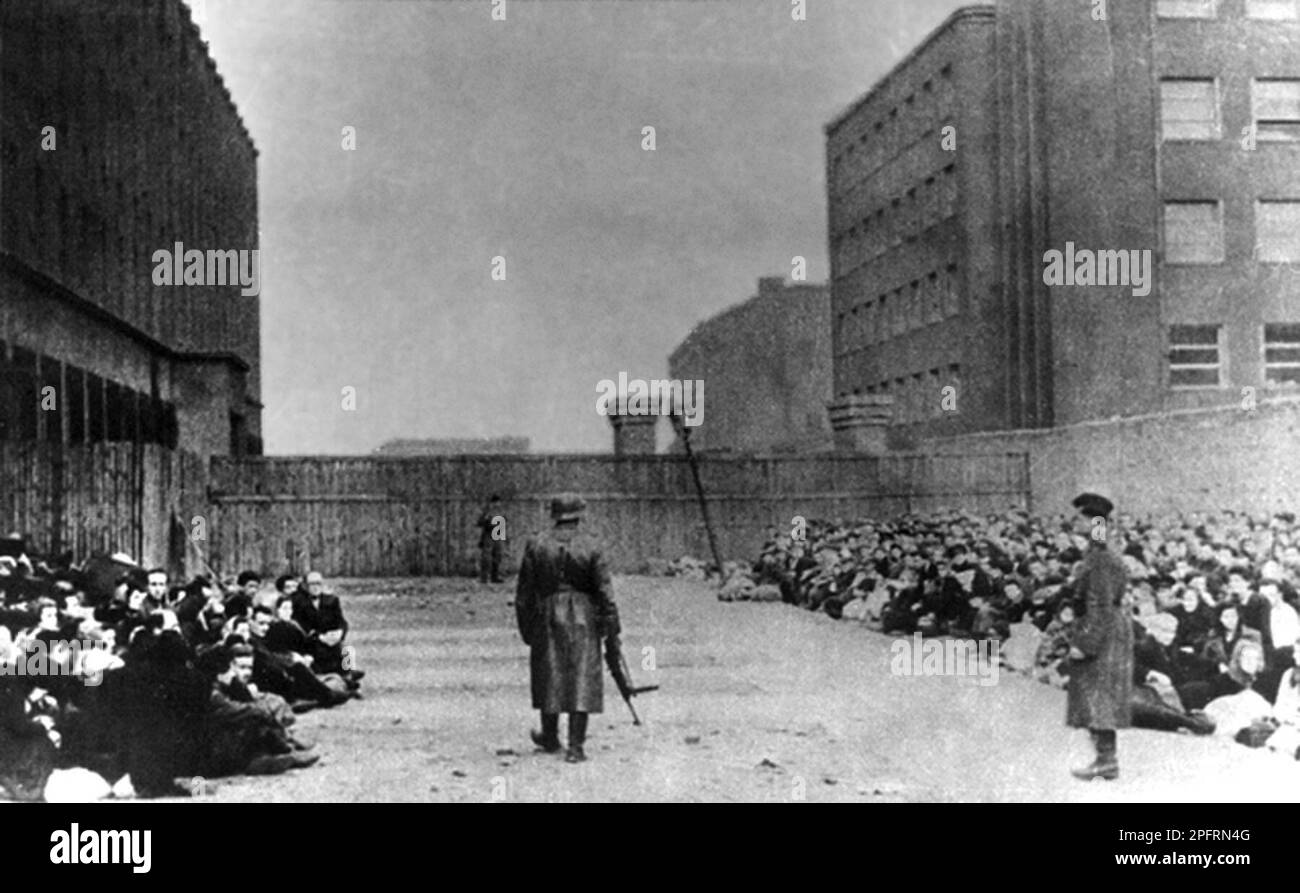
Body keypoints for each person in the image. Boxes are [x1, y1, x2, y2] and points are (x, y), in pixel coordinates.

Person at [514, 495, 620, 763]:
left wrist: (528, 629)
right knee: (581, 675)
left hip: (547, 614)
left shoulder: (536, 544)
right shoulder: (593, 545)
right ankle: (576, 747)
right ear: (579, 515)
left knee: (548, 673)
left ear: (554, 515)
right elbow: (605, 591)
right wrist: (611, 627)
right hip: (584, 616)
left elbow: (524, 594)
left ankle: (550, 738)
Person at [1064, 492, 1134, 781]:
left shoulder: (1100, 559)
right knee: (1097, 696)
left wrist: (1086, 643)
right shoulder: (1096, 555)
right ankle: (1105, 759)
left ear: (1093, 522)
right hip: (1105, 630)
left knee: (1100, 696)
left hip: (1103, 634)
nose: (1073, 521)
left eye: (1079, 516)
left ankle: (1107, 760)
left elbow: (1101, 604)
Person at [477, 494, 505, 584]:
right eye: (495, 503)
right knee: (486, 557)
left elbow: (504, 522)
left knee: (497, 556)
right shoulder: (487, 512)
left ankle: (494, 576)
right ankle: (484, 577)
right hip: (488, 534)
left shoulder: (501, 511)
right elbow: (480, 522)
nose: (496, 505)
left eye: (498, 503)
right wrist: (487, 521)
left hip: (498, 534)